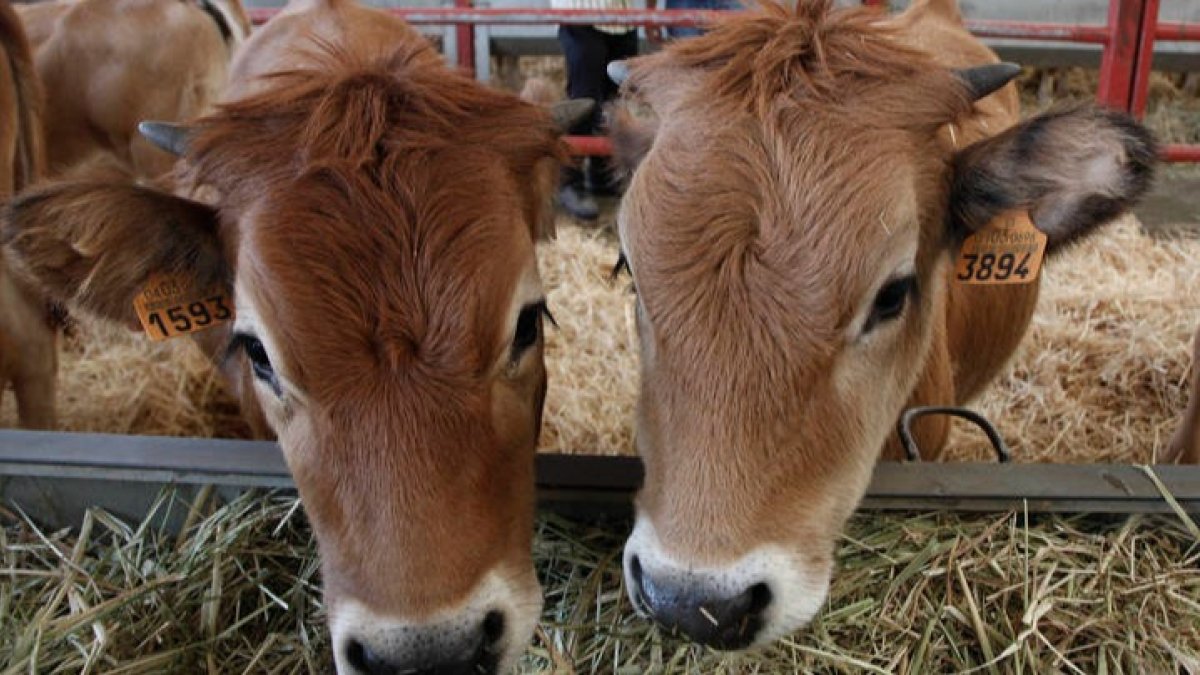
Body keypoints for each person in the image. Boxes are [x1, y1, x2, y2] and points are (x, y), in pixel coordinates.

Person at [552, 0, 639, 220]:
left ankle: (603, 176)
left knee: (615, 100)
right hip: (581, 13)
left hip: (624, 17)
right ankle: (570, 182)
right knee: (584, 101)